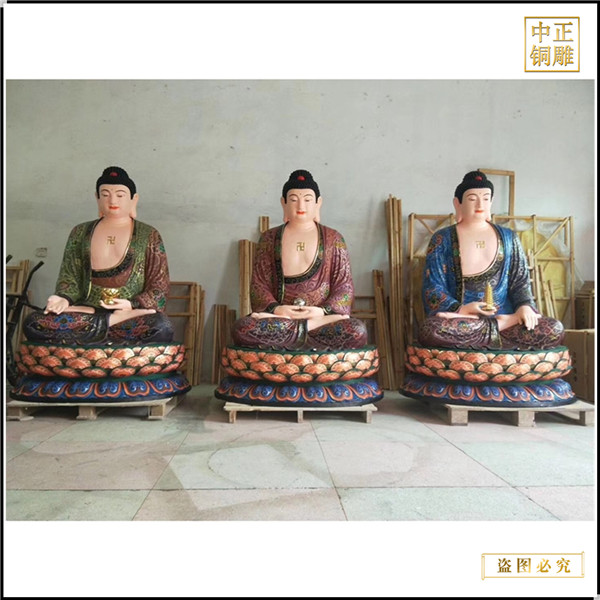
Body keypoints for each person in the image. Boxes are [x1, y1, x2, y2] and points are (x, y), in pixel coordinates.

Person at [23, 166, 174, 345]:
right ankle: (111, 322)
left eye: (120, 195)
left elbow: (159, 288)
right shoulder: (80, 233)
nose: (112, 200)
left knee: (161, 326)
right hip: (87, 311)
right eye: (105, 194)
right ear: (97, 198)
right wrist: (62, 298)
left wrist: (132, 304)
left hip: (129, 314)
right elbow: (69, 278)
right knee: (34, 323)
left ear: (134, 199)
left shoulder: (149, 235)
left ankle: (99, 331)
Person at [418, 170, 565, 350]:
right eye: (472, 199)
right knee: (431, 330)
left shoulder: (509, 238)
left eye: (486, 198)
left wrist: (525, 307)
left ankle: (495, 327)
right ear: (458, 203)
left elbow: (520, 283)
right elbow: (432, 288)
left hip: (507, 320)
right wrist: (463, 309)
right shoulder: (442, 239)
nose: (480, 204)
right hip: (464, 321)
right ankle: (497, 326)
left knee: (554, 329)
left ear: (491, 202)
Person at [232, 169, 368, 350]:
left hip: (321, 320)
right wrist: (278, 309)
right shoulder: (269, 239)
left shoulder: (334, 239)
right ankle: (304, 331)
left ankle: (303, 331)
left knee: (356, 331)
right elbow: (259, 286)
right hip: (281, 319)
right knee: (243, 328)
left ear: (318, 203)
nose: (301, 205)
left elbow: (344, 288)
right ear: (283, 203)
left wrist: (321, 311)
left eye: (308, 199)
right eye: (294, 199)